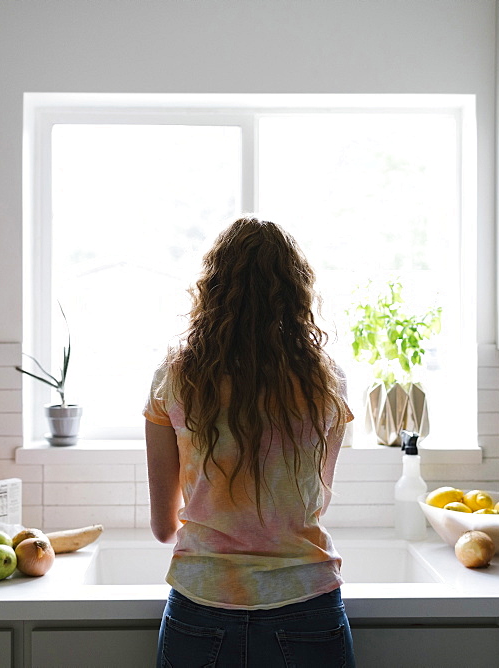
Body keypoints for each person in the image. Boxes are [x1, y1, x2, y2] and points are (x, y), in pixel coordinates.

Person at [143, 216, 356, 667]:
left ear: (213, 289)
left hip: (202, 605)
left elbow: (164, 529)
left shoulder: (175, 378)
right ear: (296, 293)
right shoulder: (326, 381)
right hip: (307, 606)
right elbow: (315, 500)